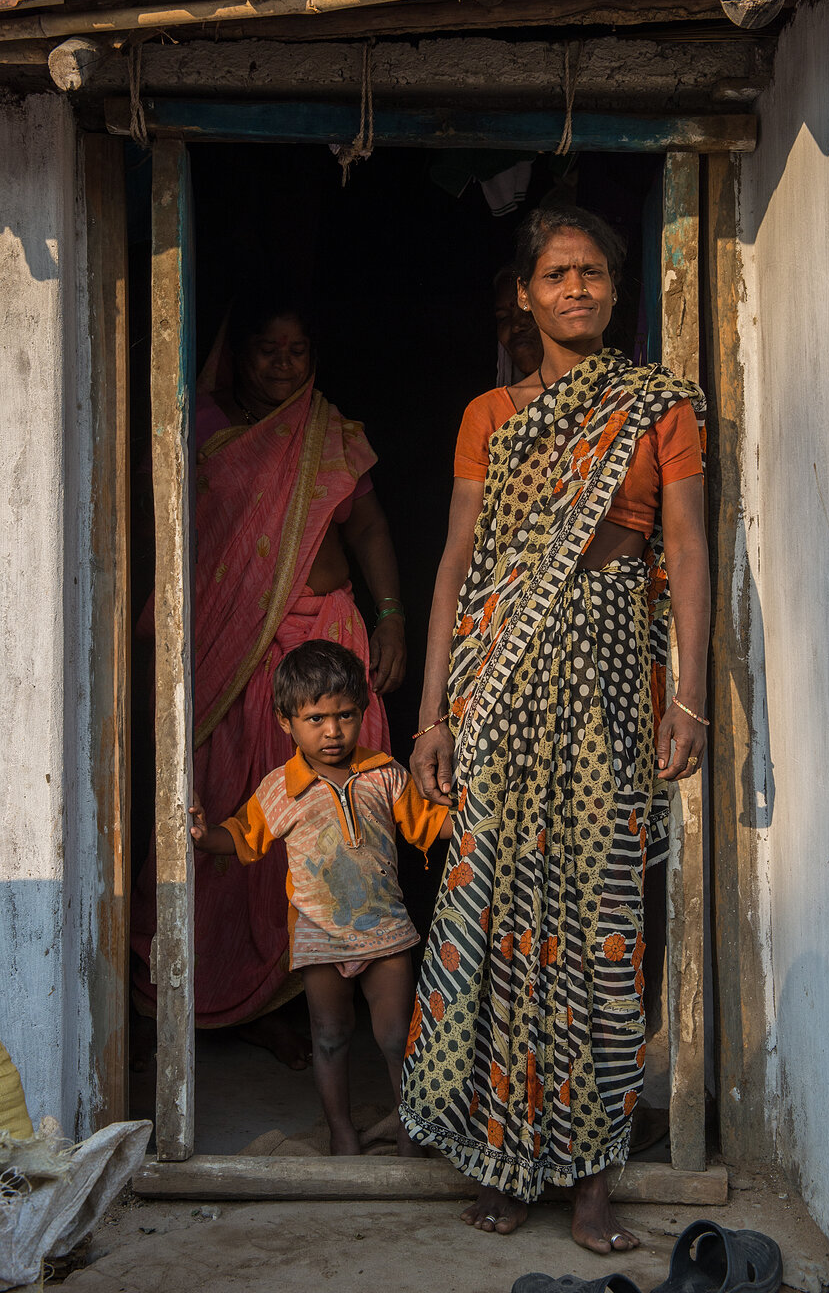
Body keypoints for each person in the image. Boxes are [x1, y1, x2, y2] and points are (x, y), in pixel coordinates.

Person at [401, 206, 709, 1253]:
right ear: (525, 295)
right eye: (556, 274)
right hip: (502, 684)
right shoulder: (488, 414)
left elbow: (690, 550)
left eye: (593, 274)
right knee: (496, 920)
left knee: (599, 927)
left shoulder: (656, 404)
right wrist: (433, 711)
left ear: (616, 294)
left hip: (614, 681)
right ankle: (504, 1154)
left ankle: (593, 1175)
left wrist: (690, 694)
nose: (577, 287)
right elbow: (454, 562)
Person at [130, 295, 406, 1068]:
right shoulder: (205, 433)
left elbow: (371, 528)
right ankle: (230, 999)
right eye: (267, 351)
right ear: (237, 354)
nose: (284, 366)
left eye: (297, 350)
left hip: (330, 641)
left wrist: (391, 618)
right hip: (239, 653)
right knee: (241, 812)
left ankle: (315, 990)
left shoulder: (331, 432)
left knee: (343, 818)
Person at [189, 640, 451, 1155]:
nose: (332, 732)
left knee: (398, 1037)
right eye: (315, 719)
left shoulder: (385, 774)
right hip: (319, 935)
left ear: (363, 711)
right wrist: (202, 835)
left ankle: (412, 1134)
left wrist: (483, 814)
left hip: (384, 931)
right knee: (329, 1037)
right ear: (286, 722)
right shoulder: (279, 789)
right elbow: (243, 836)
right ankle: (342, 1134)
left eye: (345, 715)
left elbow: (429, 825)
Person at [494, 264, 543, 384]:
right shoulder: (494, 402)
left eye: (528, 311)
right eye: (503, 317)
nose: (516, 327)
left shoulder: (595, 396)